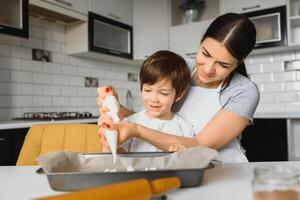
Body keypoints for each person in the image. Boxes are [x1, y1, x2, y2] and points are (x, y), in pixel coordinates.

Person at [97, 12, 260, 162]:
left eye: (223, 64)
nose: (208, 68)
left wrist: (134, 129)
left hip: (225, 168)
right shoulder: (180, 68)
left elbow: (200, 144)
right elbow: (153, 120)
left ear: (239, 62)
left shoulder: (243, 91)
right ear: (201, 41)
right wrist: (117, 110)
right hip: (183, 166)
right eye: (205, 54)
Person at [98, 50, 195, 152]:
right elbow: (117, 159)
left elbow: (192, 161)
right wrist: (109, 145)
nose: (153, 99)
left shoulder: (185, 129)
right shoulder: (129, 123)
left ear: (178, 95)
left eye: (163, 93)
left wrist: (183, 157)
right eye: (147, 90)